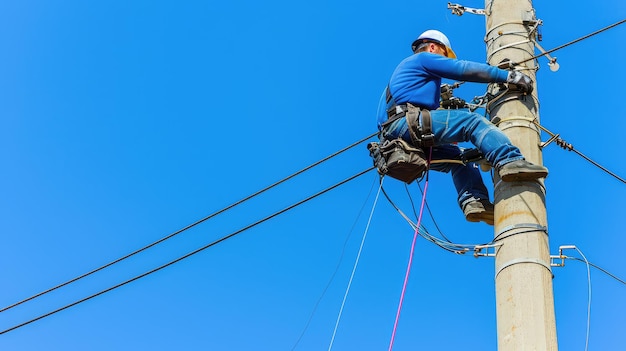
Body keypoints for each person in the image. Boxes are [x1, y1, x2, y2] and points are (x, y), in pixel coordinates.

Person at [377, 29, 548, 225]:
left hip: (397, 142)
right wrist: (506, 76)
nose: (444, 59)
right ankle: (509, 161)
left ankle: (475, 202)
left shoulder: (394, 86)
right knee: (471, 122)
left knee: (462, 158)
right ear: (433, 47)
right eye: (444, 54)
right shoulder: (423, 59)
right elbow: (463, 68)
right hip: (408, 124)